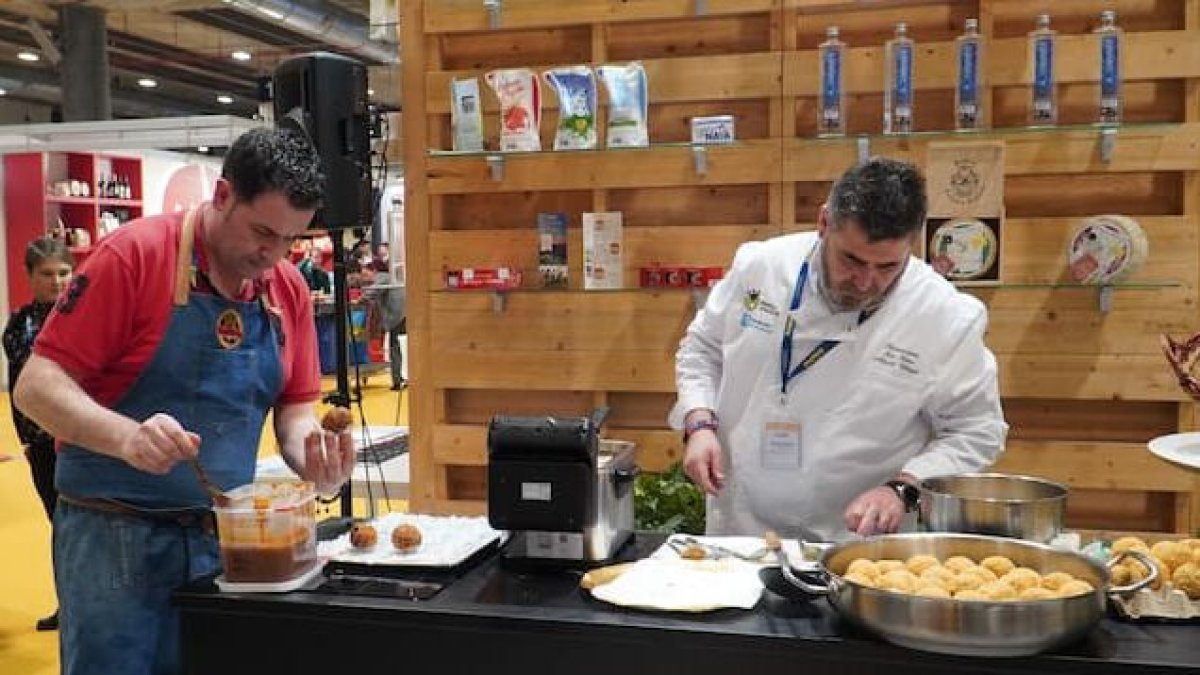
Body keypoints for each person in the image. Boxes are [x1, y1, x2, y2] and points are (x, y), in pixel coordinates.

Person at [13, 128, 357, 675]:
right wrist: (125, 437)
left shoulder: (284, 288)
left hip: (224, 539)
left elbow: (294, 408)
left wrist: (312, 457)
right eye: (263, 232)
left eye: (290, 241)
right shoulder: (135, 257)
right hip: (114, 538)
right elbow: (36, 386)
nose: (273, 255)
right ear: (222, 196)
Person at [670, 157, 1007, 543]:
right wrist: (699, 422)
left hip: (856, 544)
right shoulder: (761, 267)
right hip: (740, 529)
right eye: (852, 259)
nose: (866, 282)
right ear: (824, 222)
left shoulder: (945, 315)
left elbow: (976, 430)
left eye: (887, 267)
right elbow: (702, 349)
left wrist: (904, 487)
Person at [2, 237, 74, 631]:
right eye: (47, 274)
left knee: (79, 526)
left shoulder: (87, 318)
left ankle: (83, 605)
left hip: (82, 444)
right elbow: (25, 387)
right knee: (58, 524)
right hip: (42, 445)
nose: (57, 282)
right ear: (29, 276)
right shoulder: (18, 326)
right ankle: (68, 603)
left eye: (64, 273)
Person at [362, 272, 407, 390]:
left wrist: (361, 297)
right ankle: (400, 379)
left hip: (397, 315)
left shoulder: (380, 276)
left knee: (394, 347)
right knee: (397, 346)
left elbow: (373, 291)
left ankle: (398, 381)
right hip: (403, 312)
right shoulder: (389, 276)